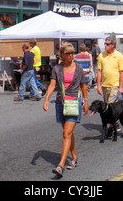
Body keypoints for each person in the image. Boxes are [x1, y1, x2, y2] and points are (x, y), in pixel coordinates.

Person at [43, 42, 88, 178]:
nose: (71, 55)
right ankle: (74, 157)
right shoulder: (57, 68)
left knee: (66, 133)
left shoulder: (78, 68)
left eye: (72, 53)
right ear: (62, 55)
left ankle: (61, 165)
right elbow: (52, 84)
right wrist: (46, 99)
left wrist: (86, 101)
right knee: (68, 133)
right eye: (68, 53)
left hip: (74, 102)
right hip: (61, 103)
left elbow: (83, 86)